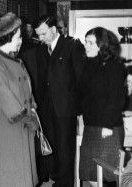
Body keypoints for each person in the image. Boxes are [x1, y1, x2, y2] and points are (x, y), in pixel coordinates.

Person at [0, 12, 38, 187]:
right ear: (6, 38)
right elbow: (6, 99)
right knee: (8, 174)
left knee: (20, 172)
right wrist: (26, 117)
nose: (20, 40)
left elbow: (27, 90)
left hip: (21, 126)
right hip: (6, 129)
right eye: (18, 37)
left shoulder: (15, 60)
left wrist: (33, 108)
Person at [34, 15, 85, 186]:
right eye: (38, 35)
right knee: (52, 146)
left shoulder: (72, 46)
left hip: (65, 109)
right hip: (46, 108)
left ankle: (66, 183)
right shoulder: (41, 50)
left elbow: (80, 79)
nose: (40, 38)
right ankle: (57, 179)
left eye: (43, 34)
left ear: (54, 30)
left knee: (65, 149)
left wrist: (80, 110)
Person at [78, 27, 127, 186]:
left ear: (102, 46)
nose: (86, 45)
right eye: (86, 42)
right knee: (90, 173)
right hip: (91, 127)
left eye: (91, 43)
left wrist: (107, 125)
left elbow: (116, 99)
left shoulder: (114, 66)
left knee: (109, 175)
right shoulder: (87, 64)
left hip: (108, 128)